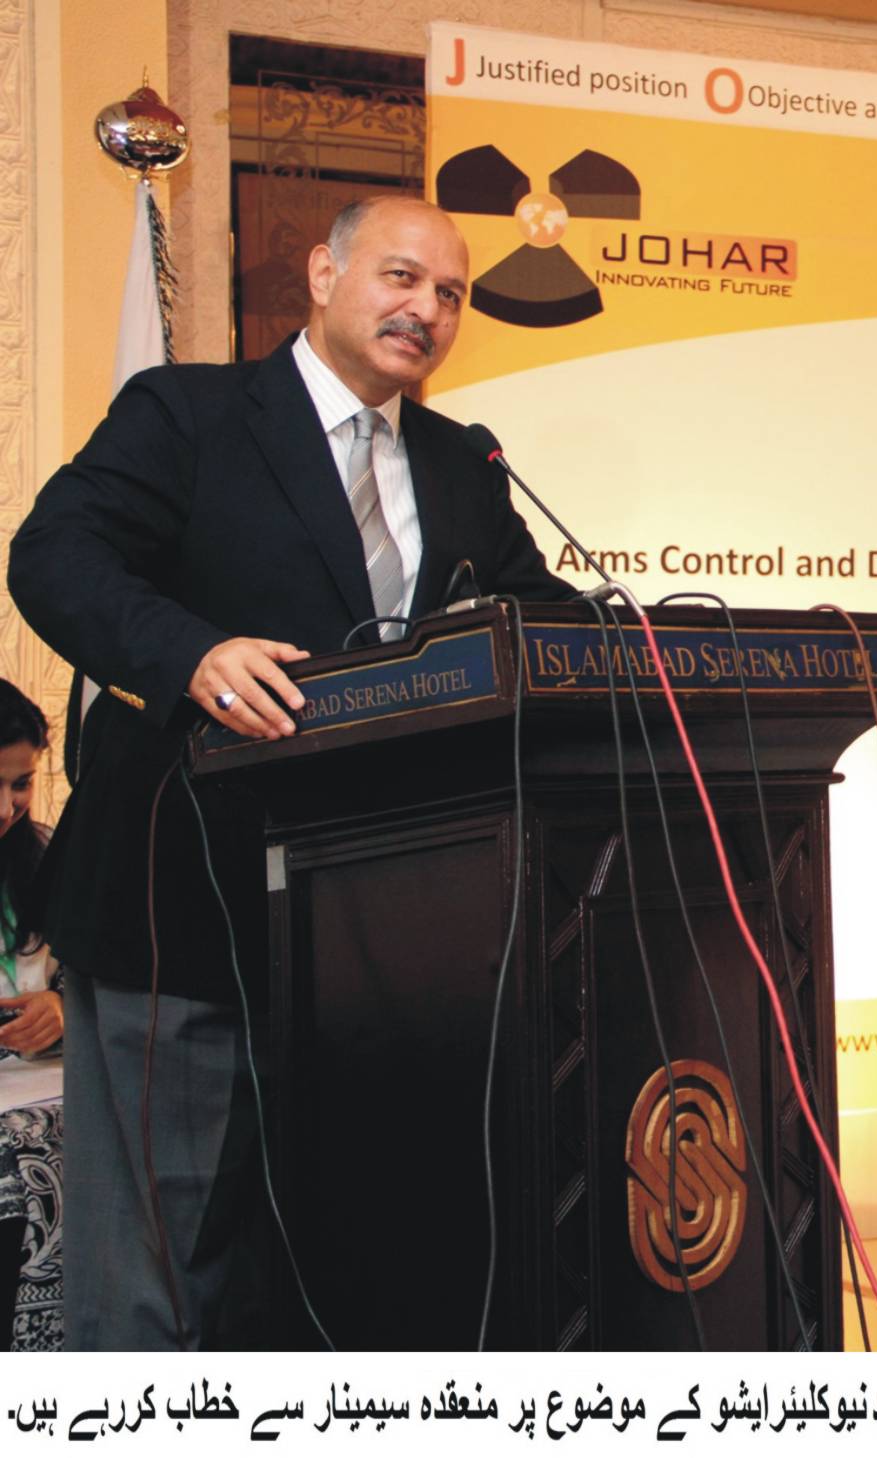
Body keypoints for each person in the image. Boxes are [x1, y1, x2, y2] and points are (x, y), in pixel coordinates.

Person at [6, 195, 573, 1349]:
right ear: (322, 273)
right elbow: (54, 555)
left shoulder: (461, 464)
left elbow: (542, 621)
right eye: (401, 277)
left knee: (318, 1270)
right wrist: (189, 655)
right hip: (181, 910)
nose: (427, 309)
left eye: (451, 293)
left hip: (378, 948)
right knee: (160, 1279)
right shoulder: (190, 413)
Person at [0, 680, 61, 1057]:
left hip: (47, 1079)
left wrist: (59, 1003)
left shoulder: (49, 852)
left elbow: (91, 970)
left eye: (21, 783)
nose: (5, 809)